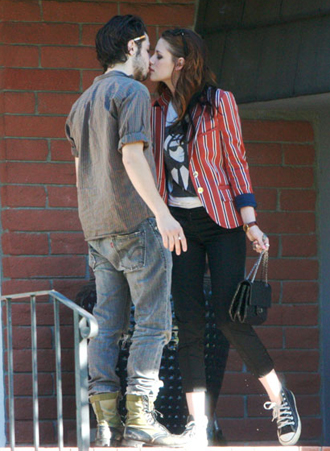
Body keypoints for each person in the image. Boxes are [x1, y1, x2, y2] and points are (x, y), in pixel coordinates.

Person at [149, 28, 301, 447]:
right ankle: (199, 426)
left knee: (229, 318)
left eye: (158, 54)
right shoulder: (156, 108)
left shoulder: (220, 102)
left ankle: (279, 396)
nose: (152, 61)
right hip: (179, 228)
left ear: (180, 62)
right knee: (190, 324)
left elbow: (236, 162)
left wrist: (251, 223)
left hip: (222, 224)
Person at [65, 15, 190, 448]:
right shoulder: (132, 91)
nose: (148, 57)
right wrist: (163, 214)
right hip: (134, 225)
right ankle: (140, 420)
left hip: (97, 231)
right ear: (134, 45)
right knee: (154, 324)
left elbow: (81, 169)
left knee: (108, 325)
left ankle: (105, 424)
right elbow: (133, 158)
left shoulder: (81, 102)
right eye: (147, 48)